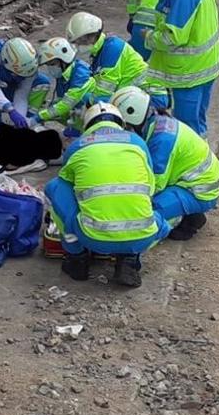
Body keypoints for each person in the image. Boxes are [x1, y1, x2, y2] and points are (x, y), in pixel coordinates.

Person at [44, 102, 170, 287]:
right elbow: (150, 188)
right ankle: (129, 259)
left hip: (93, 237)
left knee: (55, 187)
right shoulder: (138, 143)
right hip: (142, 236)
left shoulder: (77, 146)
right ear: (120, 123)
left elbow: (68, 184)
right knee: (160, 221)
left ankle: (77, 259)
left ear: (88, 125)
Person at [112, 86, 219, 241]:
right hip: (196, 183)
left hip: (199, 190)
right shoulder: (157, 123)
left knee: (143, 213)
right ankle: (184, 211)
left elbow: (155, 185)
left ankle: (186, 221)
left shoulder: (162, 140)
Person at [144, 0, 219, 137]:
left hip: (189, 73)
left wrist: (148, 37)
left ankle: (194, 155)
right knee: (198, 121)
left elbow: (172, 38)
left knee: (186, 127)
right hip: (207, 65)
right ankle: (203, 152)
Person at [34, 36, 94, 136]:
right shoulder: (62, 76)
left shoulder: (81, 73)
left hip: (94, 112)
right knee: (54, 105)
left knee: (84, 99)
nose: (50, 67)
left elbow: (67, 104)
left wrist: (40, 116)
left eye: (52, 64)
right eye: (48, 64)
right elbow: (61, 101)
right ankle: (75, 127)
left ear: (64, 59)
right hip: (78, 111)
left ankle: (85, 130)